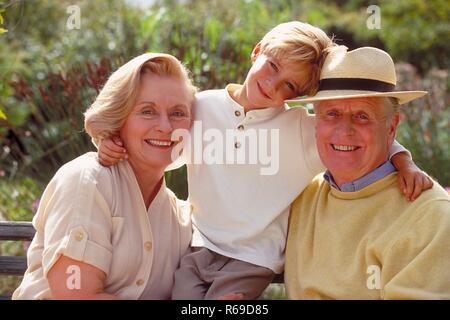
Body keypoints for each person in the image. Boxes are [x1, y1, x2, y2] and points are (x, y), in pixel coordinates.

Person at [98, 22, 432, 300]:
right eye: (272, 67)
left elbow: (363, 136)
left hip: (252, 260)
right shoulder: (200, 108)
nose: (273, 84)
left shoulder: (299, 129)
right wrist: (114, 144)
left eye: (289, 85)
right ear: (257, 51)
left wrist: (406, 164)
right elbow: (158, 148)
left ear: (297, 95)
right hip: (198, 245)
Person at [12, 53, 197, 299]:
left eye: (177, 113)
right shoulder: (87, 181)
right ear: (118, 118)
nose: (165, 126)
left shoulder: (181, 218)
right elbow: (76, 295)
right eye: (147, 111)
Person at [285, 46, 450, 299]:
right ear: (315, 123)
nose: (345, 130)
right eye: (332, 114)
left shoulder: (430, 216)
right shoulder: (301, 195)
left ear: (392, 127)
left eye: (362, 116)